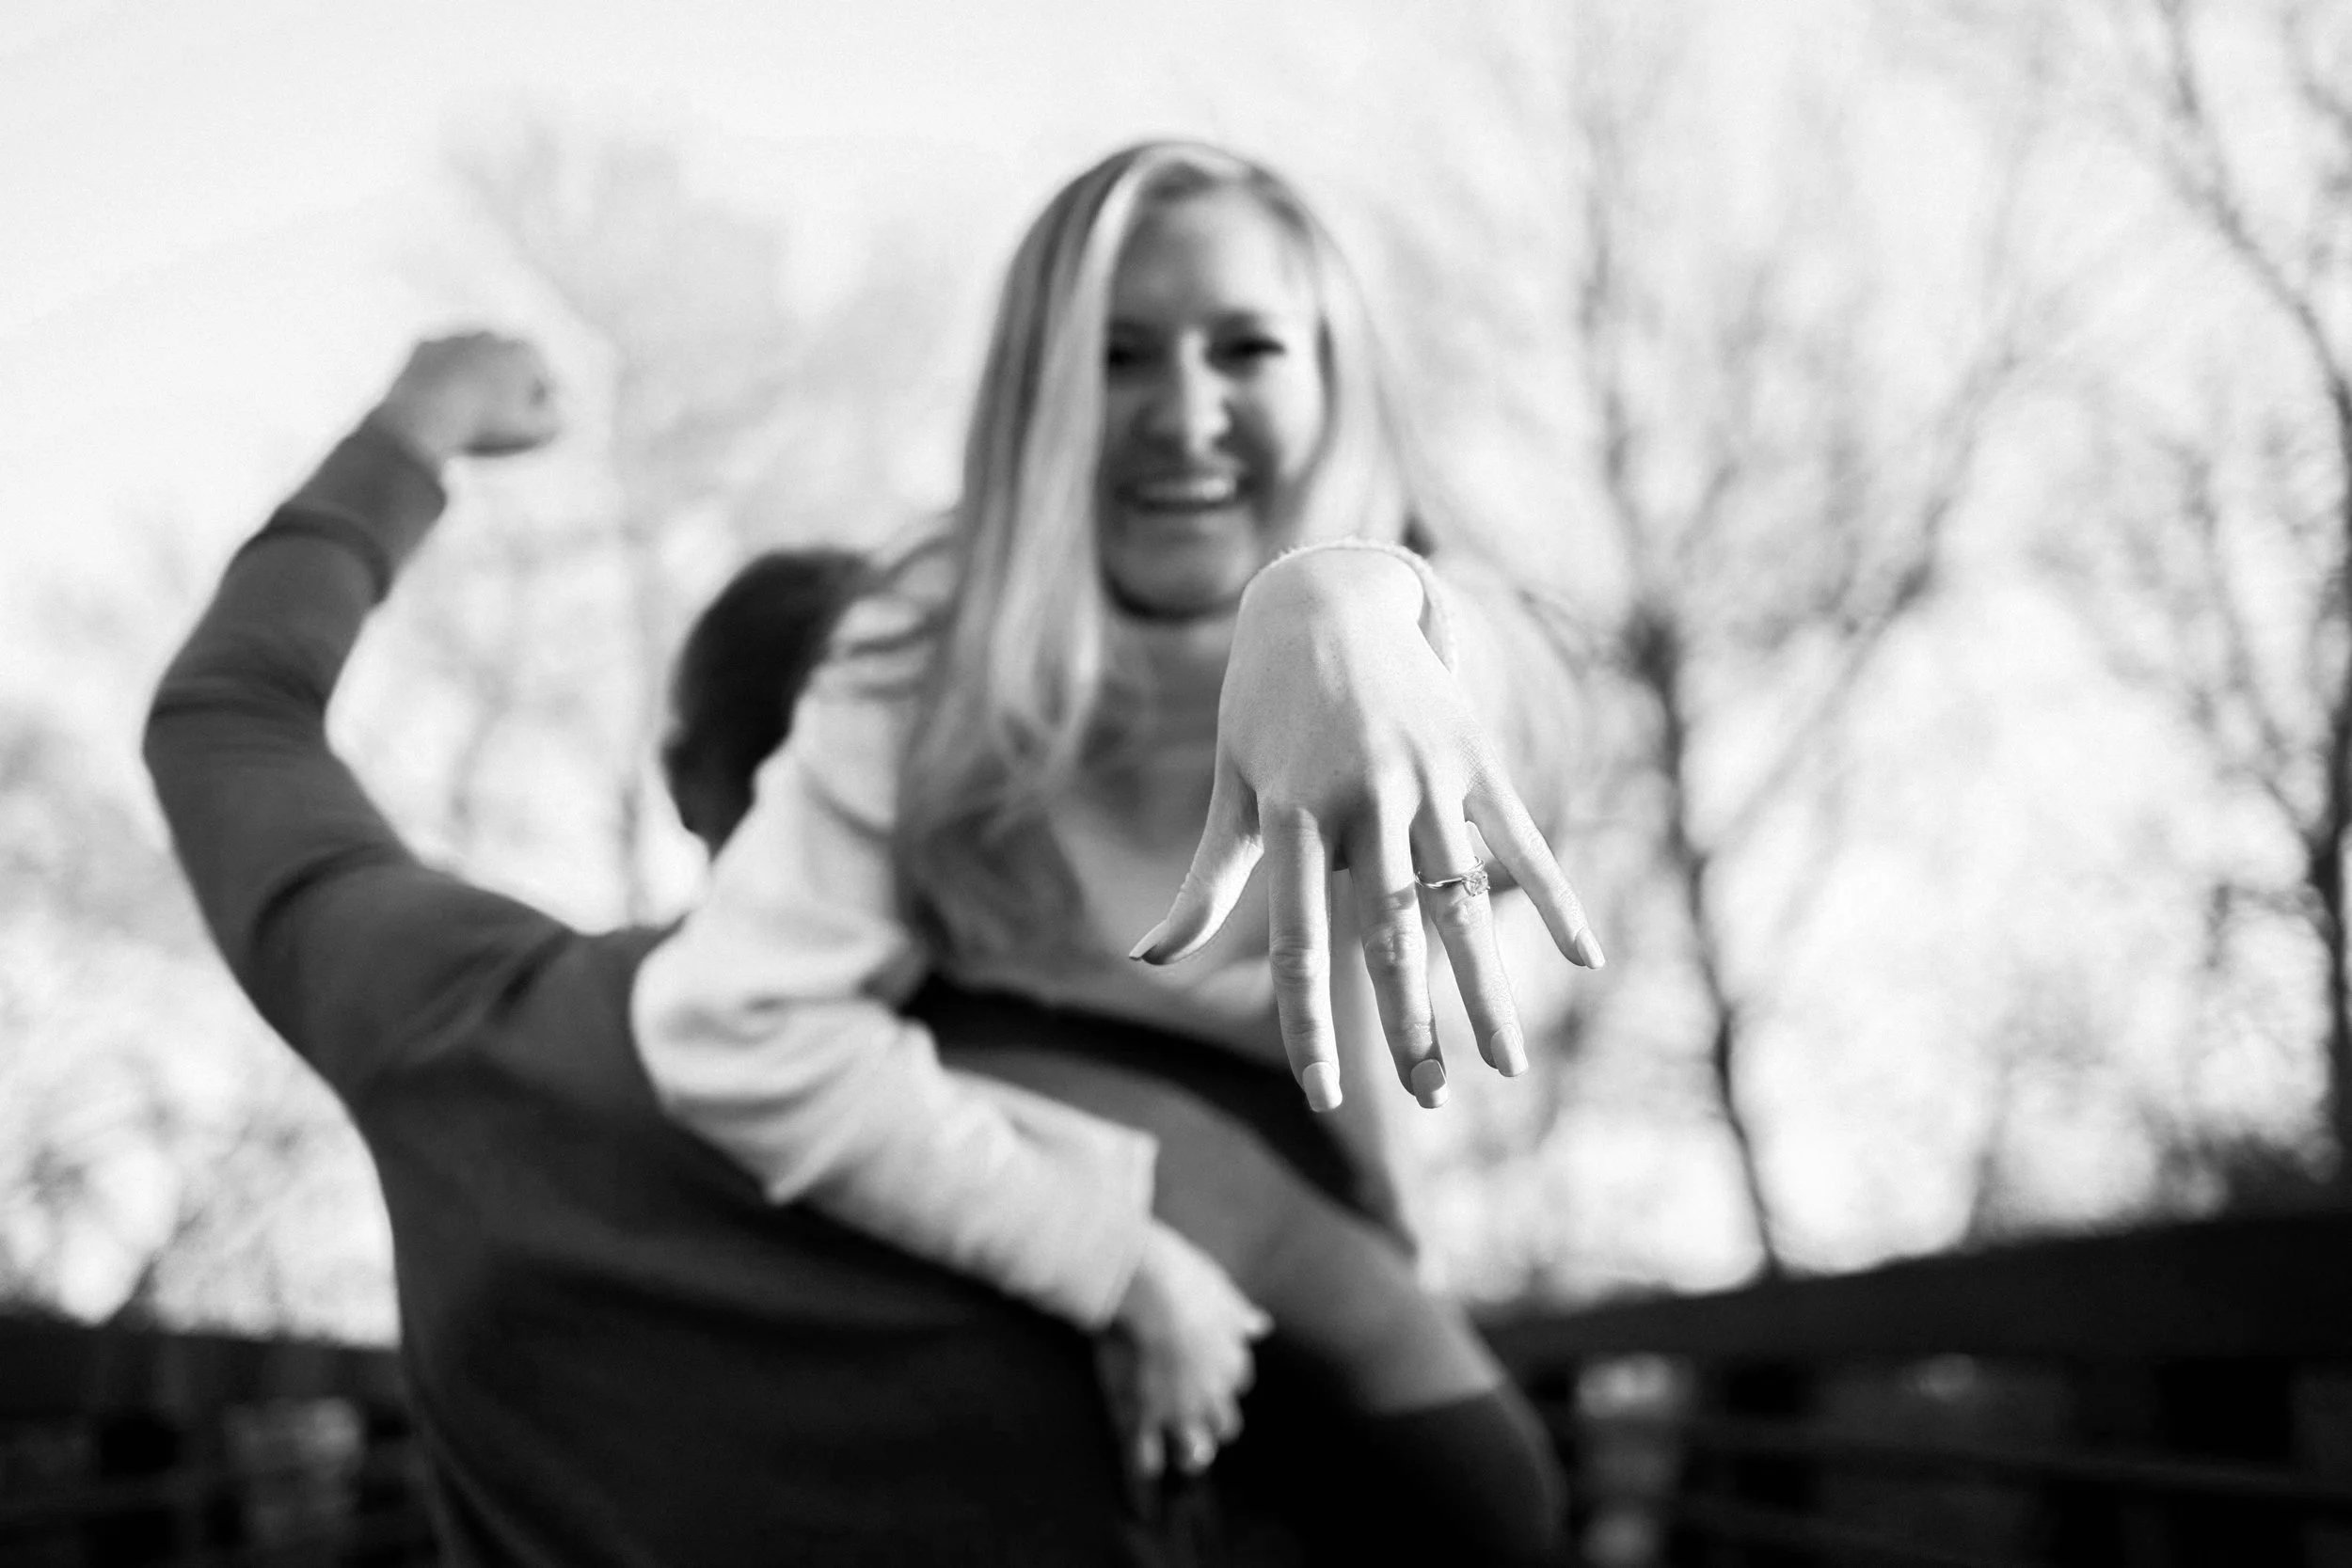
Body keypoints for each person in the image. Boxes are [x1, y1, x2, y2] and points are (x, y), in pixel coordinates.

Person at [143, 337, 1350, 1566]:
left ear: (679, 780)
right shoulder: (1128, 1112)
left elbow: (226, 719)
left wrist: (412, 430)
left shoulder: (465, 1019)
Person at [632, 140, 1601, 1560]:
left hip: (1300, 1176)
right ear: (1038, 395)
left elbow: (1523, 714)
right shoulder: (922, 644)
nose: (1185, 413)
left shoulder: (1416, 627)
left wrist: (1351, 609)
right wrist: (1113, 1261)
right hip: (1015, 1137)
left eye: (1248, 348)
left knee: (1491, 1502)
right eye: (1120, 355)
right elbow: (733, 1019)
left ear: (1332, 380)